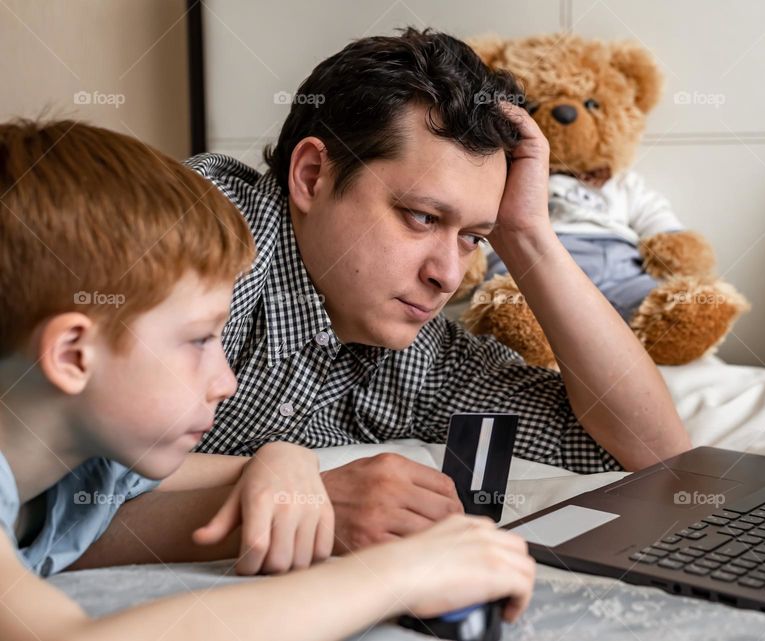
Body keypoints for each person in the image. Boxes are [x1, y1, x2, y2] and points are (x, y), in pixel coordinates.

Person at [77, 27, 692, 565]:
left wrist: (529, 238)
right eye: (421, 217)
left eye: (474, 236)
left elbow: (653, 453)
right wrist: (308, 500)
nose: (447, 275)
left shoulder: (418, 351)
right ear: (313, 176)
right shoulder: (196, 245)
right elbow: (48, 496)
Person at [0, 118, 535, 641]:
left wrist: (284, 457)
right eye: (198, 341)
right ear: (72, 355)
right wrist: (401, 576)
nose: (225, 382)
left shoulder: (79, 466)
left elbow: (198, 476)